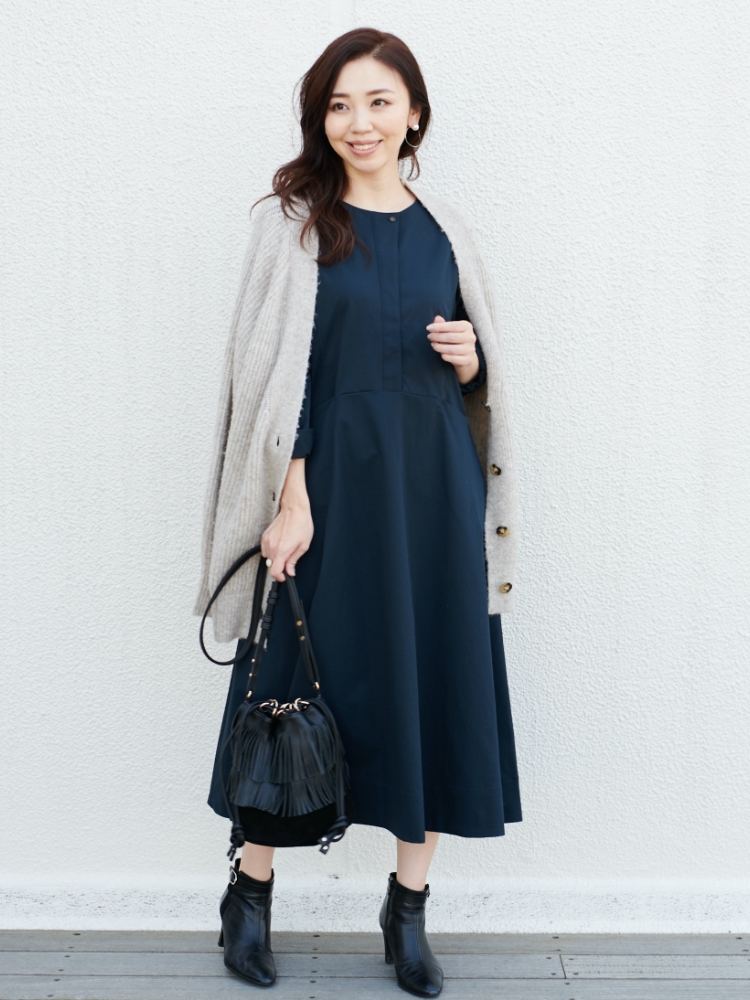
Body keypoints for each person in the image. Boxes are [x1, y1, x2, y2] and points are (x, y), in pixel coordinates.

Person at [196, 27, 522, 997]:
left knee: (436, 678)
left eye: (379, 101)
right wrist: (290, 497)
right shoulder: (293, 225)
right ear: (321, 119)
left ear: (414, 113)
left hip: (434, 493)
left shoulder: (448, 227)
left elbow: (484, 383)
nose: (359, 122)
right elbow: (270, 379)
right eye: (339, 104)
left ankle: (408, 910)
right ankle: (250, 895)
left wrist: (473, 359)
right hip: (329, 488)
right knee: (290, 684)